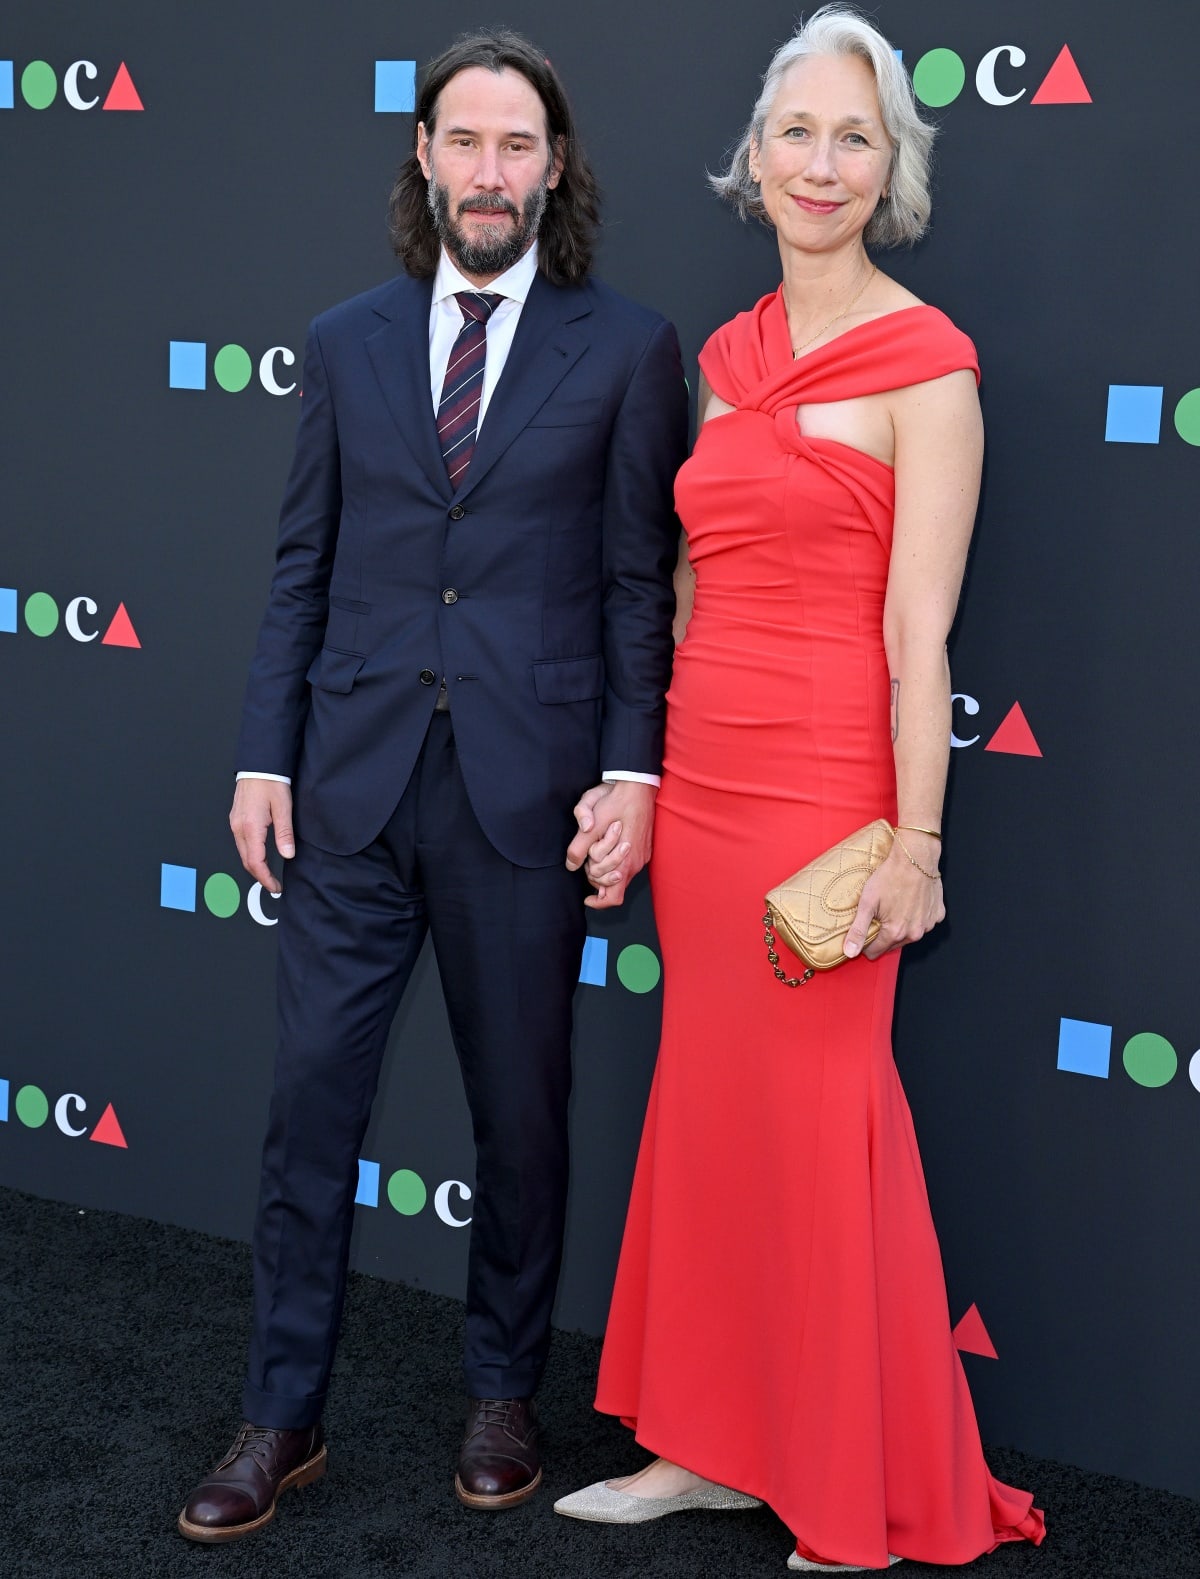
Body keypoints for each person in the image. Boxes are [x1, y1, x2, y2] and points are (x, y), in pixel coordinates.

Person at [176, 29, 686, 1543]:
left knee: (520, 1117)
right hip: (348, 788)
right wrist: (266, 753)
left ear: (554, 167)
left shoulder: (631, 348)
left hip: (524, 797)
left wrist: (630, 770)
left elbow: (634, 588)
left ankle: (502, 1394)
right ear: (423, 158)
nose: (488, 171)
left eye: (516, 146)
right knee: (310, 1110)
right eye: (464, 142)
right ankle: (279, 1419)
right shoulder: (344, 340)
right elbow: (302, 565)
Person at [555, 7, 1046, 1571]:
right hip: (700, 781)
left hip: (834, 797)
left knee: (827, 1129)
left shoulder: (931, 362)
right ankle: (707, 1445)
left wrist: (918, 841)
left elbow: (923, 633)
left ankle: (847, 1490)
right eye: (796, 133)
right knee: (708, 1118)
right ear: (752, 162)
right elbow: (696, 587)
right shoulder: (728, 357)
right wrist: (636, 775)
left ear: (889, 166)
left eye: (855, 136)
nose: (820, 163)